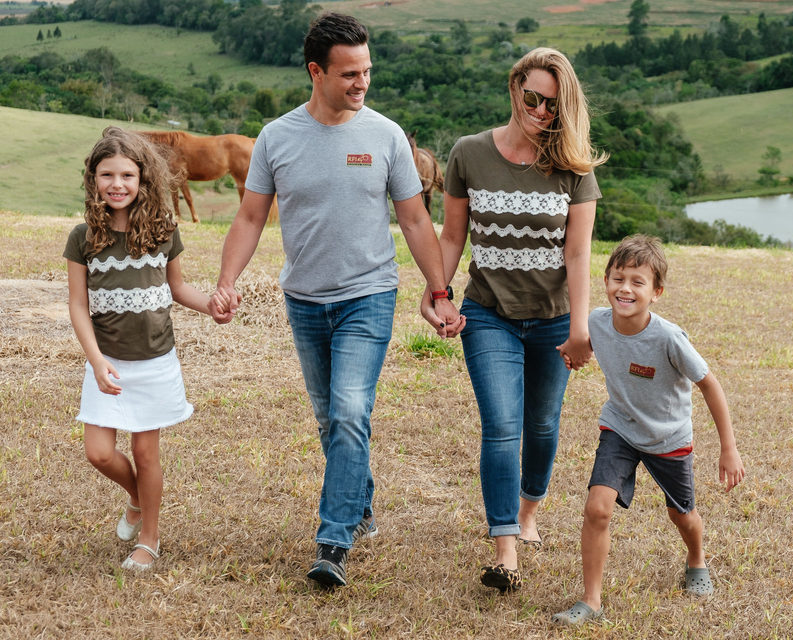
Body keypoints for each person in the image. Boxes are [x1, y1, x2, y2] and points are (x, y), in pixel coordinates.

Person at [208, 12, 462, 589]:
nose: (361, 83)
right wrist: (227, 282)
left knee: (350, 410)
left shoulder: (385, 135)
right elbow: (250, 218)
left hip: (368, 295)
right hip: (303, 299)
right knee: (332, 419)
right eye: (349, 73)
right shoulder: (277, 137)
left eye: (367, 71)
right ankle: (360, 496)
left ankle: (334, 540)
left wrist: (440, 290)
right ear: (315, 71)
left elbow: (416, 219)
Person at [428, 47, 606, 592]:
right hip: (489, 314)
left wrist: (581, 327)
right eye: (533, 98)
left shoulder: (573, 166)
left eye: (554, 104)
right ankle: (505, 547)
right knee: (502, 426)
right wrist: (438, 292)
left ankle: (530, 508)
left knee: (544, 426)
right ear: (514, 89)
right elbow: (454, 235)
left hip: (554, 320)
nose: (541, 111)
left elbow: (578, 255)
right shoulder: (470, 153)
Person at [552, 234, 746, 625]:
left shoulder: (669, 338)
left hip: (668, 437)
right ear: (605, 280)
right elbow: (586, 346)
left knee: (681, 515)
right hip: (620, 428)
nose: (625, 289)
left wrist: (729, 447)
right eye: (617, 278)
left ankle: (696, 559)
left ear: (656, 292)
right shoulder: (596, 322)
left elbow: (709, 384)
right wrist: (574, 354)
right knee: (597, 508)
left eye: (637, 282)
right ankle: (591, 602)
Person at [64, 126, 218, 572]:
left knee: (148, 453)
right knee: (98, 452)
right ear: (93, 178)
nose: (117, 184)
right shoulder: (83, 237)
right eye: (107, 174)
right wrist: (95, 362)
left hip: (154, 361)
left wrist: (212, 306)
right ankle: (135, 497)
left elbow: (179, 288)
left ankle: (148, 539)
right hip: (107, 362)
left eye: (127, 175)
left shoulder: (163, 230)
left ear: (143, 179)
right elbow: (77, 306)